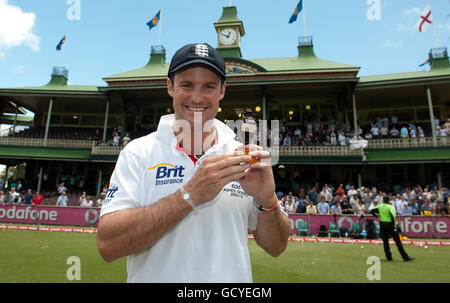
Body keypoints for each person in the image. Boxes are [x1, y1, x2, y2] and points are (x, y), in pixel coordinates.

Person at [96, 43, 290, 283]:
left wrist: (266, 201)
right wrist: (189, 195)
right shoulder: (138, 152)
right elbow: (108, 245)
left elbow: (277, 247)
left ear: (222, 91)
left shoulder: (241, 155)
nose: (197, 97)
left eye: (208, 86)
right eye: (187, 85)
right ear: (170, 87)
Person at [370, 196, 415, 262]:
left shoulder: (380, 206)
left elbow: (372, 211)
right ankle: (405, 257)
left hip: (382, 224)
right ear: (388, 200)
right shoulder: (389, 207)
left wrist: (378, 215)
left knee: (385, 242)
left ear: (383, 200)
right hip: (389, 224)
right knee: (397, 241)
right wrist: (394, 224)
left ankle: (389, 257)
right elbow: (393, 216)